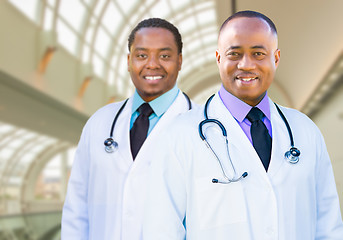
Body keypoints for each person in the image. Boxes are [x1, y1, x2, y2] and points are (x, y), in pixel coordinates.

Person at [143, 11, 343, 239]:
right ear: (219, 58)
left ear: (275, 59)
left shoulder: (305, 132)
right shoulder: (179, 136)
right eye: (234, 54)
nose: (246, 64)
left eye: (258, 53)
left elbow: (328, 225)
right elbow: (161, 230)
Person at [61, 18, 194, 240]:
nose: (152, 64)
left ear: (179, 61)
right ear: (128, 61)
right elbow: (76, 208)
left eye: (165, 55)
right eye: (142, 55)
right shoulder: (99, 123)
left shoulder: (203, 129)